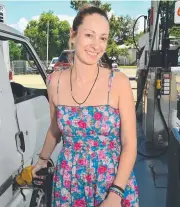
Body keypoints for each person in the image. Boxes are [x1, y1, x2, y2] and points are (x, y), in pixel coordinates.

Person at [32, 5, 139, 207]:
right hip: (69, 183)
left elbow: (130, 143)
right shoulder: (54, 82)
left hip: (112, 183)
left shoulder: (118, 83)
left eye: (103, 38)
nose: (96, 45)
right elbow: (55, 129)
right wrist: (42, 160)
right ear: (73, 35)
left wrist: (116, 193)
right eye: (89, 35)